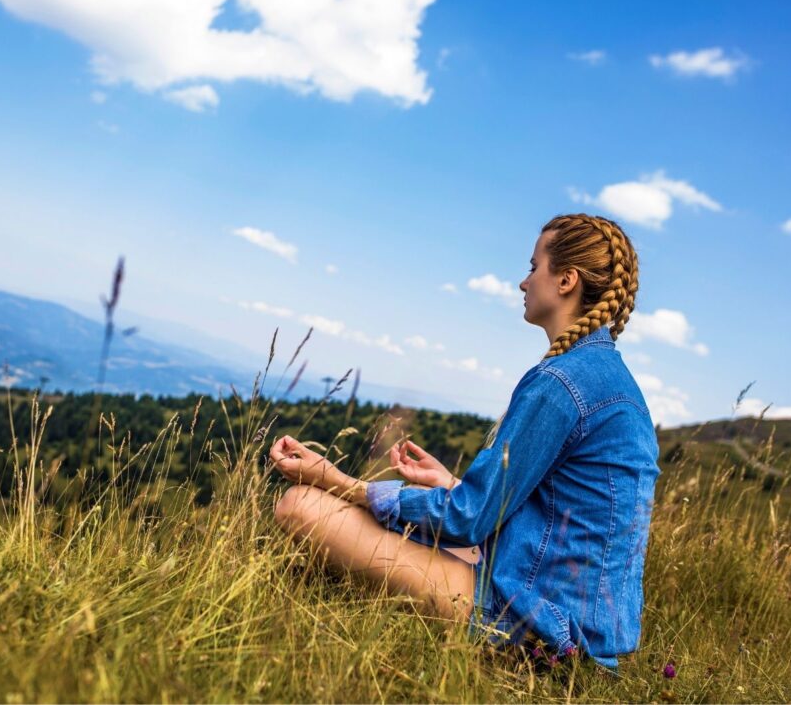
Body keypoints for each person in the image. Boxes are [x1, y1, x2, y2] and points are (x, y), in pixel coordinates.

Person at [269, 213, 660, 670]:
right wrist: (452, 484)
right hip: (583, 626)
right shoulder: (616, 385)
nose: (524, 282)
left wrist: (337, 481)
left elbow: (470, 521)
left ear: (566, 280)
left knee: (300, 505)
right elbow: (561, 517)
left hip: (538, 626)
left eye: (534, 267)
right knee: (384, 526)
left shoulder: (560, 383)